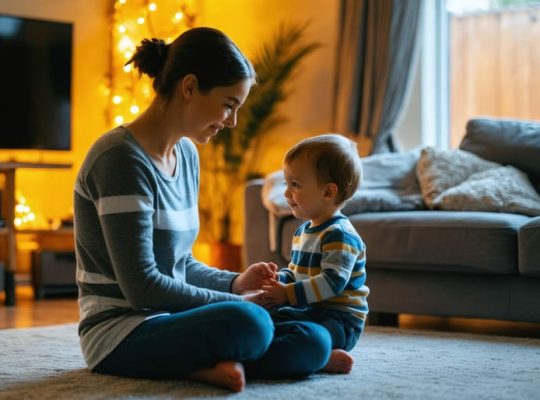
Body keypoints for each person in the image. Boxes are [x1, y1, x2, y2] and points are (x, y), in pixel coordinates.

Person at [74, 27, 332, 392]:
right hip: (120, 332)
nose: (232, 121)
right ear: (190, 87)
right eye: (229, 104)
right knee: (250, 322)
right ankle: (202, 363)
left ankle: (208, 361)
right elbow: (142, 288)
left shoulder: (188, 156)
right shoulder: (119, 159)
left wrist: (236, 281)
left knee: (313, 337)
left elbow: (180, 265)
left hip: (175, 321)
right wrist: (239, 299)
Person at [262, 134, 370, 374]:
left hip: (339, 321)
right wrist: (278, 280)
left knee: (303, 334)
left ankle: (319, 357)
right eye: (287, 183)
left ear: (328, 192)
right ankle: (315, 356)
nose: (286, 193)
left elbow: (332, 283)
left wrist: (288, 294)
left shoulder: (340, 235)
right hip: (310, 309)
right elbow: (296, 272)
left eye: (295, 185)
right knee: (267, 318)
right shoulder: (304, 231)